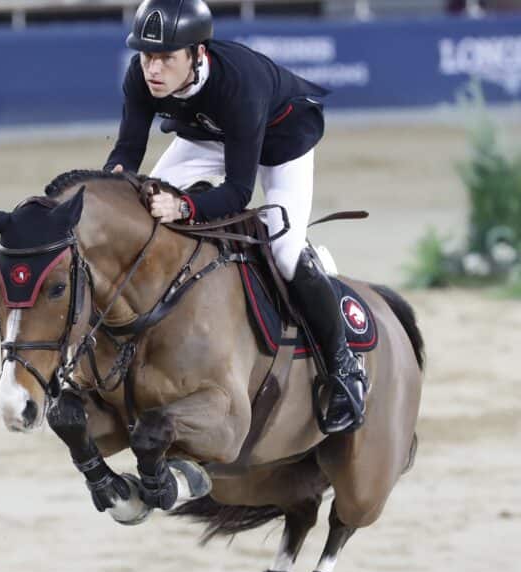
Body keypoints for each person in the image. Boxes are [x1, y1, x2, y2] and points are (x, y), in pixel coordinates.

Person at [103, 0, 366, 433]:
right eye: (148, 56)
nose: (153, 69)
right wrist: (115, 177)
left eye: (166, 58)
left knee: (283, 251)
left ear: (197, 54)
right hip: (206, 138)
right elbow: (128, 149)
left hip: (281, 144)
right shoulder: (141, 74)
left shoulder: (238, 83)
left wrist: (185, 206)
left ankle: (343, 366)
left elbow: (240, 191)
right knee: (143, 216)